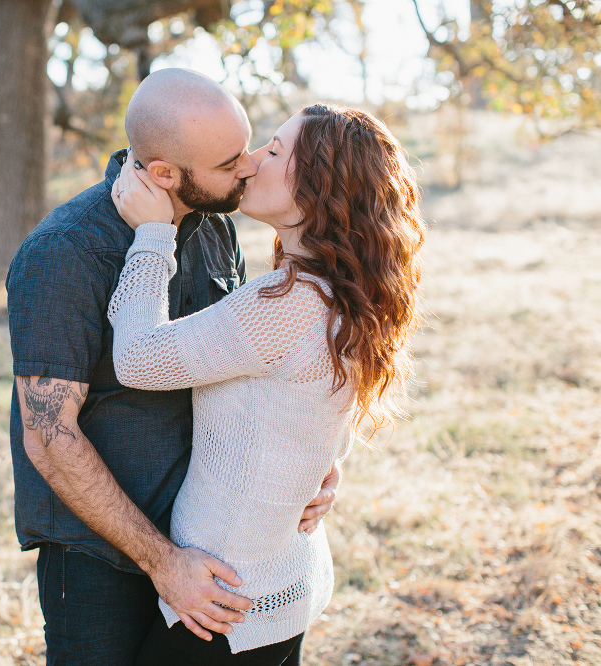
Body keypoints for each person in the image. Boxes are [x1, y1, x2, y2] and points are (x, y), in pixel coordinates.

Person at [5, 69, 341, 665]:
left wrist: (316, 469)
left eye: (247, 148)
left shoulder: (216, 226)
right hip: (100, 550)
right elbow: (50, 439)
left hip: (203, 538)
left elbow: (257, 369)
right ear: (163, 174)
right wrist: (161, 561)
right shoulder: (64, 252)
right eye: (227, 161)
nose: (246, 167)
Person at [107, 103, 426, 663]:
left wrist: (154, 235)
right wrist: (322, 471)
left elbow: (135, 359)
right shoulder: (348, 296)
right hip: (287, 584)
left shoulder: (285, 303)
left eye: (274, 151)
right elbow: (310, 415)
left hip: (223, 601)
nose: (251, 162)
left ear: (319, 190)